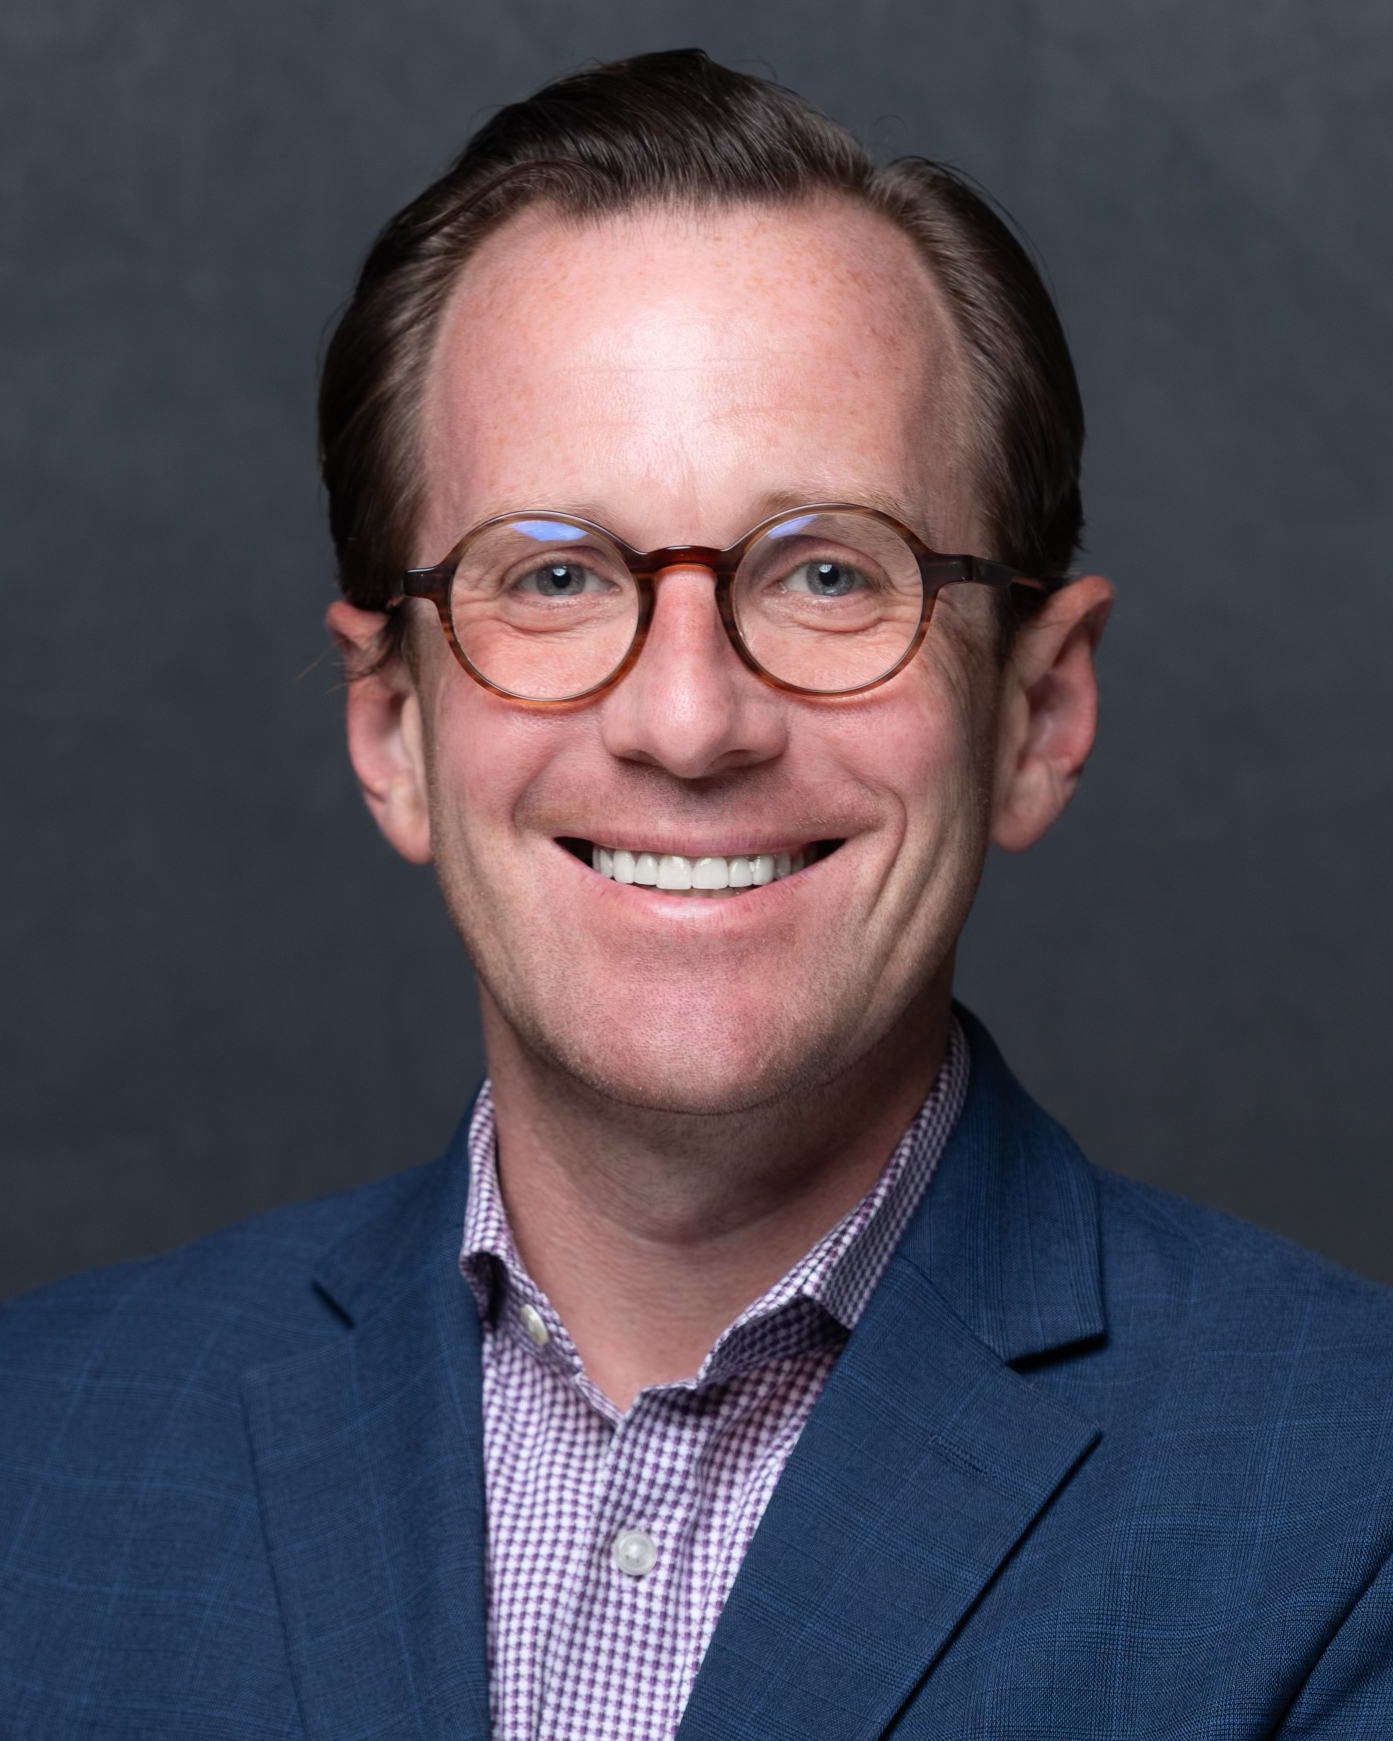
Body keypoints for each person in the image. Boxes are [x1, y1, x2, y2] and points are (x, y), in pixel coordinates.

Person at [3, 47, 1393, 1740]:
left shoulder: (1346, 1505)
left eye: (825, 572)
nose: (686, 720)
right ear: (393, 736)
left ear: (1036, 710)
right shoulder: (36, 1455)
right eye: (555, 576)